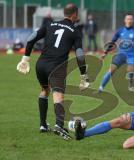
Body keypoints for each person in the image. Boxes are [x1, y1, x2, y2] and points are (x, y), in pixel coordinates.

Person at [16, 3, 89, 140]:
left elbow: (32, 37)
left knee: (45, 90)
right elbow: (79, 54)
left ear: (64, 13)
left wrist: (25, 58)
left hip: (41, 65)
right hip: (57, 67)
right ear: (74, 15)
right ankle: (59, 126)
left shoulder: (51, 25)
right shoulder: (75, 31)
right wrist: (83, 75)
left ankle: (43, 125)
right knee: (58, 95)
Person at [99, 13, 134, 92]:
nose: (129, 21)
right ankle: (101, 87)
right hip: (121, 54)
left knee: (130, 69)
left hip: (132, 55)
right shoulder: (120, 31)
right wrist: (105, 53)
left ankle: (130, 83)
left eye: (130, 19)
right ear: (124, 20)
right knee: (111, 70)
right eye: (127, 19)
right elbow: (112, 42)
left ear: (133, 21)